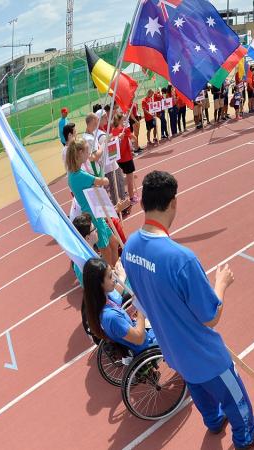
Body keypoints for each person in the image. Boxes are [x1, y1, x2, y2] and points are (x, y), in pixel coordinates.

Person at [122, 171, 254, 449]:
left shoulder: (130, 247)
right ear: (173, 203)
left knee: (196, 386)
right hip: (204, 354)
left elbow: (140, 297)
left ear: (143, 203)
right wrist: (221, 284)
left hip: (172, 350)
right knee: (235, 397)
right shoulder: (181, 259)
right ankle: (245, 437)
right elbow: (210, 317)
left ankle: (214, 421)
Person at [82, 257, 157, 354]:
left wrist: (134, 306)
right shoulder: (111, 317)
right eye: (110, 277)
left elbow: (121, 319)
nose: (114, 279)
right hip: (146, 346)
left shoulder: (102, 304)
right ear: (99, 284)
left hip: (139, 336)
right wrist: (140, 309)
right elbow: (139, 339)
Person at [65, 138, 118, 266]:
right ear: (79, 153)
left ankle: (116, 271)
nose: (89, 154)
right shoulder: (79, 175)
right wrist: (102, 177)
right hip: (93, 215)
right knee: (106, 251)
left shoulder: (74, 173)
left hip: (95, 211)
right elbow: (104, 181)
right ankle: (110, 276)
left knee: (114, 243)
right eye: (87, 152)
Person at [110, 113, 138, 204]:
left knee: (120, 179)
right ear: (119, 121)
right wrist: (132, 142)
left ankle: (122, 197)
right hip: (126, 158)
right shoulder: (124, 130)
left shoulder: (113, 130)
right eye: (122, 120)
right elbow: (134, 138)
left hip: (118, 159)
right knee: (130, 179)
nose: (124, 121)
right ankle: (132, 198)